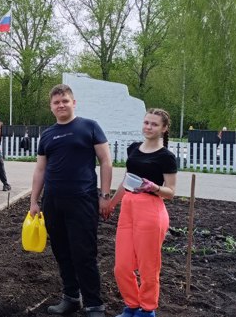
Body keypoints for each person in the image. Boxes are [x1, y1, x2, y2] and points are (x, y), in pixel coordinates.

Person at [29, 84, 113, 317]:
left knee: (84, 253)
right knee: (62, 251)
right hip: (53, 202)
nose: (61, 105)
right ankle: (71, 298)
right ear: (51, 107)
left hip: (83, 200)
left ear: (73, 103)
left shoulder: (90, 127)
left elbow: (106, 161)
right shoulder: (47, 135)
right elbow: (40, 170)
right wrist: (34, 201)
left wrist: (104, 196)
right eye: (56, 102)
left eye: (65, 101)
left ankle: (94, 304)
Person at [105, 108, 178, 317]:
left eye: (154, 124)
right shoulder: (134, 148)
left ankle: (147, 310)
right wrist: (111, 203)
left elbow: (171, 192)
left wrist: (153, 187)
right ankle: (132, 305)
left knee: (148, 267)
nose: (148, 127)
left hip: (151, 211)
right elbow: (127, 179)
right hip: (128, 207)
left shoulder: (166, 157)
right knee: (122, 266)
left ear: (163, 129)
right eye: (146, 122)